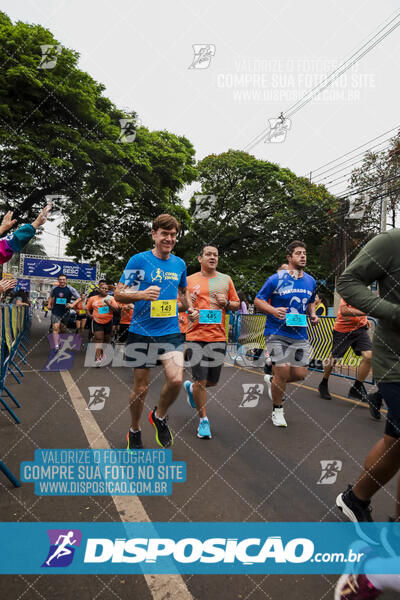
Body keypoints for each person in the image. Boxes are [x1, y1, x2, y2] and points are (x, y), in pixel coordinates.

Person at [335, 228, 400, 524]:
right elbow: (347, 282)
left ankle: (356, 498)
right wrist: (393, 312)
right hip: (396, 361)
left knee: (395, 441)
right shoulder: (392, 241)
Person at [114, 214, 195, 450]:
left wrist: (189, 307)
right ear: (154, 234)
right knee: (141, 388)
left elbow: (183, 294)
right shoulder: (140, 261)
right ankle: (135, 429)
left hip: (170, 330)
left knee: (177, 379)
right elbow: (119, 294)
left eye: (173, 235)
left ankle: (159, 417)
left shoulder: (179, 264)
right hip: (141, 331)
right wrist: (140, 294)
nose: (169, 239)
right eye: (164, 234)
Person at [254, 241, 318, 427]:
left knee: (299, 374)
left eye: (304, 253)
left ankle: (274, 381)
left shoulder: (311, 280)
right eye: (298, 253)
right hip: (276, 332)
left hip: (299, 334)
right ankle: (277, 409)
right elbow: (258, 300)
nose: (303, 256)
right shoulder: (276, 279)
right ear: (289, 258)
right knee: (282, 368)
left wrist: (312, 314)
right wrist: (273, 311)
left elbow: (311, 300)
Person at [182, 244, 240, 439]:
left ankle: (191, 387)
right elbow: (179, 303)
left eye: (215, 254)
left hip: (218, 336)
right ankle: (203, 421)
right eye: (208, 254)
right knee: (200, 379)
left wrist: (227, 304)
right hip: (195, 336)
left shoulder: (226, 279)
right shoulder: (189, 280)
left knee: (211, 382)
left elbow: (236, 304)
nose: (212, 257)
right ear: (200, 258)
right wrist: (188, 310)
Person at [318, 297, 372, 402]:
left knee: (369, 356)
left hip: (360, 328)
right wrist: (365, 312)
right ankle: (323, 383)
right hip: (343, 329)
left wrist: (365, 319)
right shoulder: (349, 289)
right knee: (334, 358)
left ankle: (356, 388)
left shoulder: (366, 290)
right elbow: (344, 311)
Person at [85, 282, 119, 366]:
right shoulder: (93, 298)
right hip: (97, 321)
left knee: (106, 340)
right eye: (103, 288)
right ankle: (97, 358)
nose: (105, 290)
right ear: (99, 289)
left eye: (106, 289)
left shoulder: (111, 298)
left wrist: (108, 304)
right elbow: (87, 308)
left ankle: (102, 353)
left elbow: (116, 310)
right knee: (99, 338)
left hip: (108, 321)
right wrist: (90, 315)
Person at [47, 274, 77, 350]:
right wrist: (49, 304)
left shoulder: (71, 289)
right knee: (55, 327)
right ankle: (56, 345)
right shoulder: (54, 288)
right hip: (56, 311)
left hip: (65, 312)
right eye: (60, 279)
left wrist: (72, 304)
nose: (62, 281)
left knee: (63, 329)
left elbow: (79, 298)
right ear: (58, 280)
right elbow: (51, 296)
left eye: (63, 279)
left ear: (66, 280)